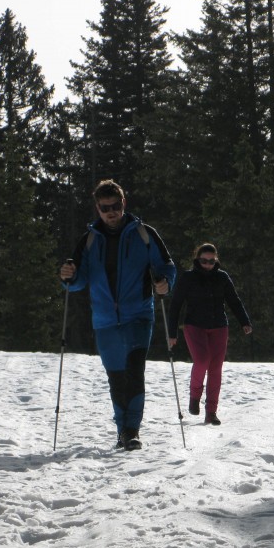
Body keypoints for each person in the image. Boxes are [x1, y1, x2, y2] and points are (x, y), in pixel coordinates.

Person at [58, 180, 176, 451]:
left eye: (115, 206)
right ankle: (122, 429)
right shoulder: (88, 240)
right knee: (117, 377)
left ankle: (131, 430)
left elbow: (166, 266)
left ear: (124, 204)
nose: (111, 212)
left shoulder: (144, 234)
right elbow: (77, 279)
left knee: (134, 371)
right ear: (97, 209)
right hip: (105, 320)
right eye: (104, 208)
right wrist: (68, 277)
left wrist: (165, 284)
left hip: (139, 315)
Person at [167, 243, 252, 425]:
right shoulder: (188, 278)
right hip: (194, 326)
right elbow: (175, 305)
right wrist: (172, 333)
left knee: (215, 369)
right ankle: (194, 395)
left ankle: (211, 412)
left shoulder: (222, 277)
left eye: (211, 261)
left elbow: (233, 300)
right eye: (204, 261)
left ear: (216, 261)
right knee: (202, 360)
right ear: (197, 259)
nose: (207, 264)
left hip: (219, 327)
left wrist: (244, 321)